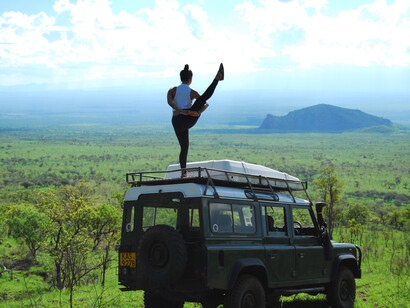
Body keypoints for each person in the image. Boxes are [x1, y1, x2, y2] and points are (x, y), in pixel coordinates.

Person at [167, 63, 224, 177]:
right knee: (202, 98)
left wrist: (178, 109)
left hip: (176, 121)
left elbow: (170, 102)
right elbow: (206, 103)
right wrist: (196, 112)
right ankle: (217, 79)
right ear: (190, 79)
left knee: (184, 147)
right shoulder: (192, 92)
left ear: (181, 78)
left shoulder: (172, 90)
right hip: (187, 119)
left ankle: (184, 173)